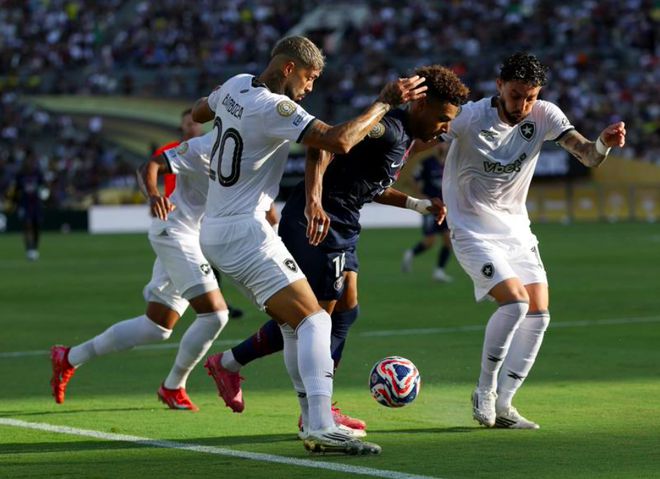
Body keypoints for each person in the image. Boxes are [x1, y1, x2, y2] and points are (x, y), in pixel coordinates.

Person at [191, 35, 426, 454]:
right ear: (288, 68)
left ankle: (312, 418)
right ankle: (320, 423)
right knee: (316, 320)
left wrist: (223, 103)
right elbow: (338, 141)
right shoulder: (276, 107)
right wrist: (384, 101)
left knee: (294, 325)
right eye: (309, 77)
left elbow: (198, 112)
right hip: (244, 231)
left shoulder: (237, 84)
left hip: (220, 227)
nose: (310, 87)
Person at [440, 53, 626, 429]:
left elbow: (588, 156)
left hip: (516, 231)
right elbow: (422, 136)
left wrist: (603, 143)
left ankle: (505, 405)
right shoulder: (470, 118)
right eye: (515, 95)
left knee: (539, 314)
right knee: (515, 304)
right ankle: (485, 391)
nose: (522, 105)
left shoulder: (545, 115)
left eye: (530, 97)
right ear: (499, 86)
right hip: (472, 229)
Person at [50, 131, 232, 412]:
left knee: (156, 328)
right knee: (215, 314)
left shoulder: (245, 152)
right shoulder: (203, 147)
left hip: (192, 239)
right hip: (175, 231)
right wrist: (154, 195)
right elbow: (149, 165)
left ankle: (68, 358)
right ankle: (173, 386)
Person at [401, 142, 453, 282]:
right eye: (440, 144)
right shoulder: (427, 163)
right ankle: (410, 253)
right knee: (430, 242)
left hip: (445, 207)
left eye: (444, 144)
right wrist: (421, 196)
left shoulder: (450, 163)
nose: (442, 147)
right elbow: (412, 179)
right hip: (430, 207)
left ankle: (439, 271)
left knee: (448, 240)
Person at [9, 150, 48, 261]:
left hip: (36, 204)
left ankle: (35, 247)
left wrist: (45, 196)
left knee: (37, 227)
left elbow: (43, 187)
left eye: (32, 160)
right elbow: (16, 190)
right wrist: (15, 203)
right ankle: (29, 249)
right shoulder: (20, 174)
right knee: (27, 225)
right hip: (25, 204)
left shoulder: (37, 173)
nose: (30, 162)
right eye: (28, 160)